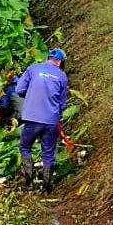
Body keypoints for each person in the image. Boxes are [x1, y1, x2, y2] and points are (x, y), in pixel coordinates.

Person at [15, 48, 68, 193]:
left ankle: (29, 181)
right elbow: (62, 103)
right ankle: (46, 187)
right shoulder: (62, 76)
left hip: (32, 118)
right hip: (51, 120)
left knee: (25, 147)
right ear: (60, 62)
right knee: (48, 153)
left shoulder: (33, 69)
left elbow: (19, 89)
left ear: (48, 58)